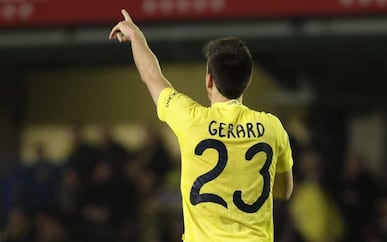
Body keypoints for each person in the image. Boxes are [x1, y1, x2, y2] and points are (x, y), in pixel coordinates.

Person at [109, 9, 294, 242]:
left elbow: (151, 75)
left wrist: (136, 36)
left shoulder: (190, 119)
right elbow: (284, 191)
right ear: (247, 81)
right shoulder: (272, 127)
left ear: (209, 80)